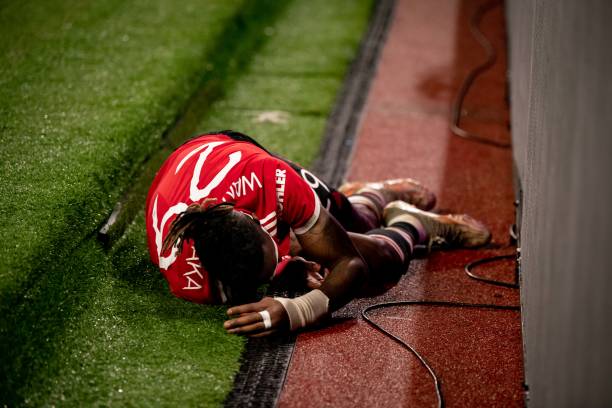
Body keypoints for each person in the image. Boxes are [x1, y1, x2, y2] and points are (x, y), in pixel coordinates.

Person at [145, 130, 490, 336]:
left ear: (250, 217)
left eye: (276, 249)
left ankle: (372, 197)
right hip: (207, 186)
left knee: (367, 243)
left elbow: (350, 265)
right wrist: (289, 268)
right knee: (378, 260)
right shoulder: (188, 280)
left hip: (230, 151)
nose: (283, 254)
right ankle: (413, 224)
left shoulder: (271, 176)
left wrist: (299, 312)